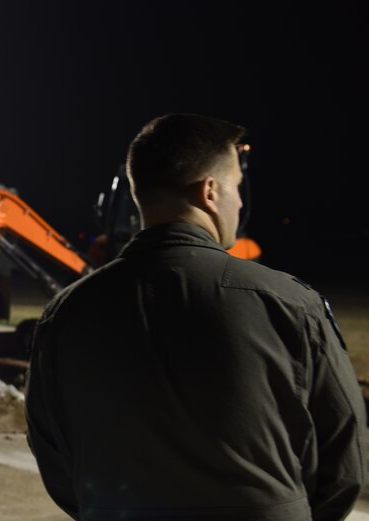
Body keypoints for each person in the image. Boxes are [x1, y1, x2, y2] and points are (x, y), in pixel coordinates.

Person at [25, 114, 367, 521]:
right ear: (209, 192)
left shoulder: (66, 314)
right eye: (237, 188)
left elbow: (52, 451)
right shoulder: (289, 303)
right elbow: (345, 458)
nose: (239, 202)